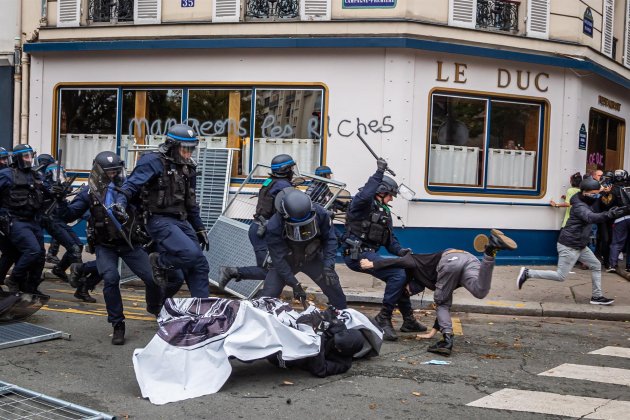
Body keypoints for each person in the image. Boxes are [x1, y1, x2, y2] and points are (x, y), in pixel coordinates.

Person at [360, 229, 517, 356]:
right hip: (469, 260)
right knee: (480, 291)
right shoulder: (430, 280)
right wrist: (431, 333)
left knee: (442, 301)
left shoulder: (414, 263)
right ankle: (490, 252)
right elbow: (443, 301)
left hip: (450, 259)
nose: (408, 292)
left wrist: (374, 263)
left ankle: (447, 341)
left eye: (406, 289)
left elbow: (401, 261)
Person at [60, 151, 161, 344]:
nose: (113, 175)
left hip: (129, 243)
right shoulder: (89, 193)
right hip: (105, 245)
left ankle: (155, 307)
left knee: (152, 277)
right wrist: (60, 201)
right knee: (111, 278)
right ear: (99, 172)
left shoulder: (129, 188)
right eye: (109, 172)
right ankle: (118, 324)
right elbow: (69, 215)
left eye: (116, 171)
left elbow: (146, 203)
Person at [117, 124, 210, 299]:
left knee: (200, 264)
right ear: (171, 146)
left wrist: (199, 228)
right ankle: (158, 261)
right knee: (190, 254)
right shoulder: (153, 161)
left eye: (192, 149)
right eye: (185, 149)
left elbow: (191, 202)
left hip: (181, 220)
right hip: (158, 219)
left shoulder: (188, 167)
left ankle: (202, 309)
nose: (189, 153)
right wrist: (120, 205)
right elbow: (130, 186)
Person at [342, 158, 425, 341]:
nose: (392, 198)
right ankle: (383, 318)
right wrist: (378, 173)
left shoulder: (385, 212)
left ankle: (408, 319)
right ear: (380, 191)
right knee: (397, 274)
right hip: (356, 255)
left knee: (403, 271)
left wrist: (401, 251)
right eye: (390, 195)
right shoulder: (361, 205)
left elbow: (389, 240)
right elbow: (365, 195)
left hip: (371, 254)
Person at [517, 178, 623, 305]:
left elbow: (601, 200)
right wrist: (609, 214)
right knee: (561, 276)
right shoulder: (579, 206)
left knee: (596, 265)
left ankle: (597, 296)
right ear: (584, 192)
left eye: (597, 193)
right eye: (593, 194)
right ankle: (528, 273)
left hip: (579, 244)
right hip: (570, 245)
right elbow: (590, 217)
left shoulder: (585, 199)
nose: (596, 196)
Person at [255, 188, 347, 309]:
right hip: (287, 261)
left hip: (312, 258)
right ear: (285, 217)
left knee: (334, 288)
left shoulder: (320, 213)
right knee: (268, 296)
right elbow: (278, 259)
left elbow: (330, 239)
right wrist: (294, 284)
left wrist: (328, 266)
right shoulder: (274, 226)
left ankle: (343, 317)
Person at [219, 154, 296, 286]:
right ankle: (231, 271)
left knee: (275, 269)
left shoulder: (270, 181)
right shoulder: (284, 186)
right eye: (291, 168)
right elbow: (292, 207)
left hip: (260, 227)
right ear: (286, 170)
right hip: (264, 232)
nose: (293, 172)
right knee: (268, 271)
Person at [0, 144, 49, 295]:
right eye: (25, 156)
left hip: (32, 220)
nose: (29, 159)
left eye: (30, 155)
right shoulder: (7, 174)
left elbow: (46, 191)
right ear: (17, 158)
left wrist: (56, 191)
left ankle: (30, 286)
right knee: (31, 251)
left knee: (40, 255)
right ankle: (14, 279)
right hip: (15, 219)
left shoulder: (35, 175)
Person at [36, 154, 85, 295]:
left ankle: (59, 269)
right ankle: (82, 287)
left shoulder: (53, 179)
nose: (58, 176)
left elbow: (64, 189)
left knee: (78, 246)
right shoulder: (38, 181)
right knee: (74, 249)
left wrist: (62, 190)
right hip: (50, 218)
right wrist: (50, 192)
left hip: (59, 216)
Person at [605, 169, 630, 273]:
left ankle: (613, 265)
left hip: (620, 218)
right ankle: (629, 266)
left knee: (617, 243)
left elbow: (607, 204)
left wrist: (606, 193)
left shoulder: (614, 189)